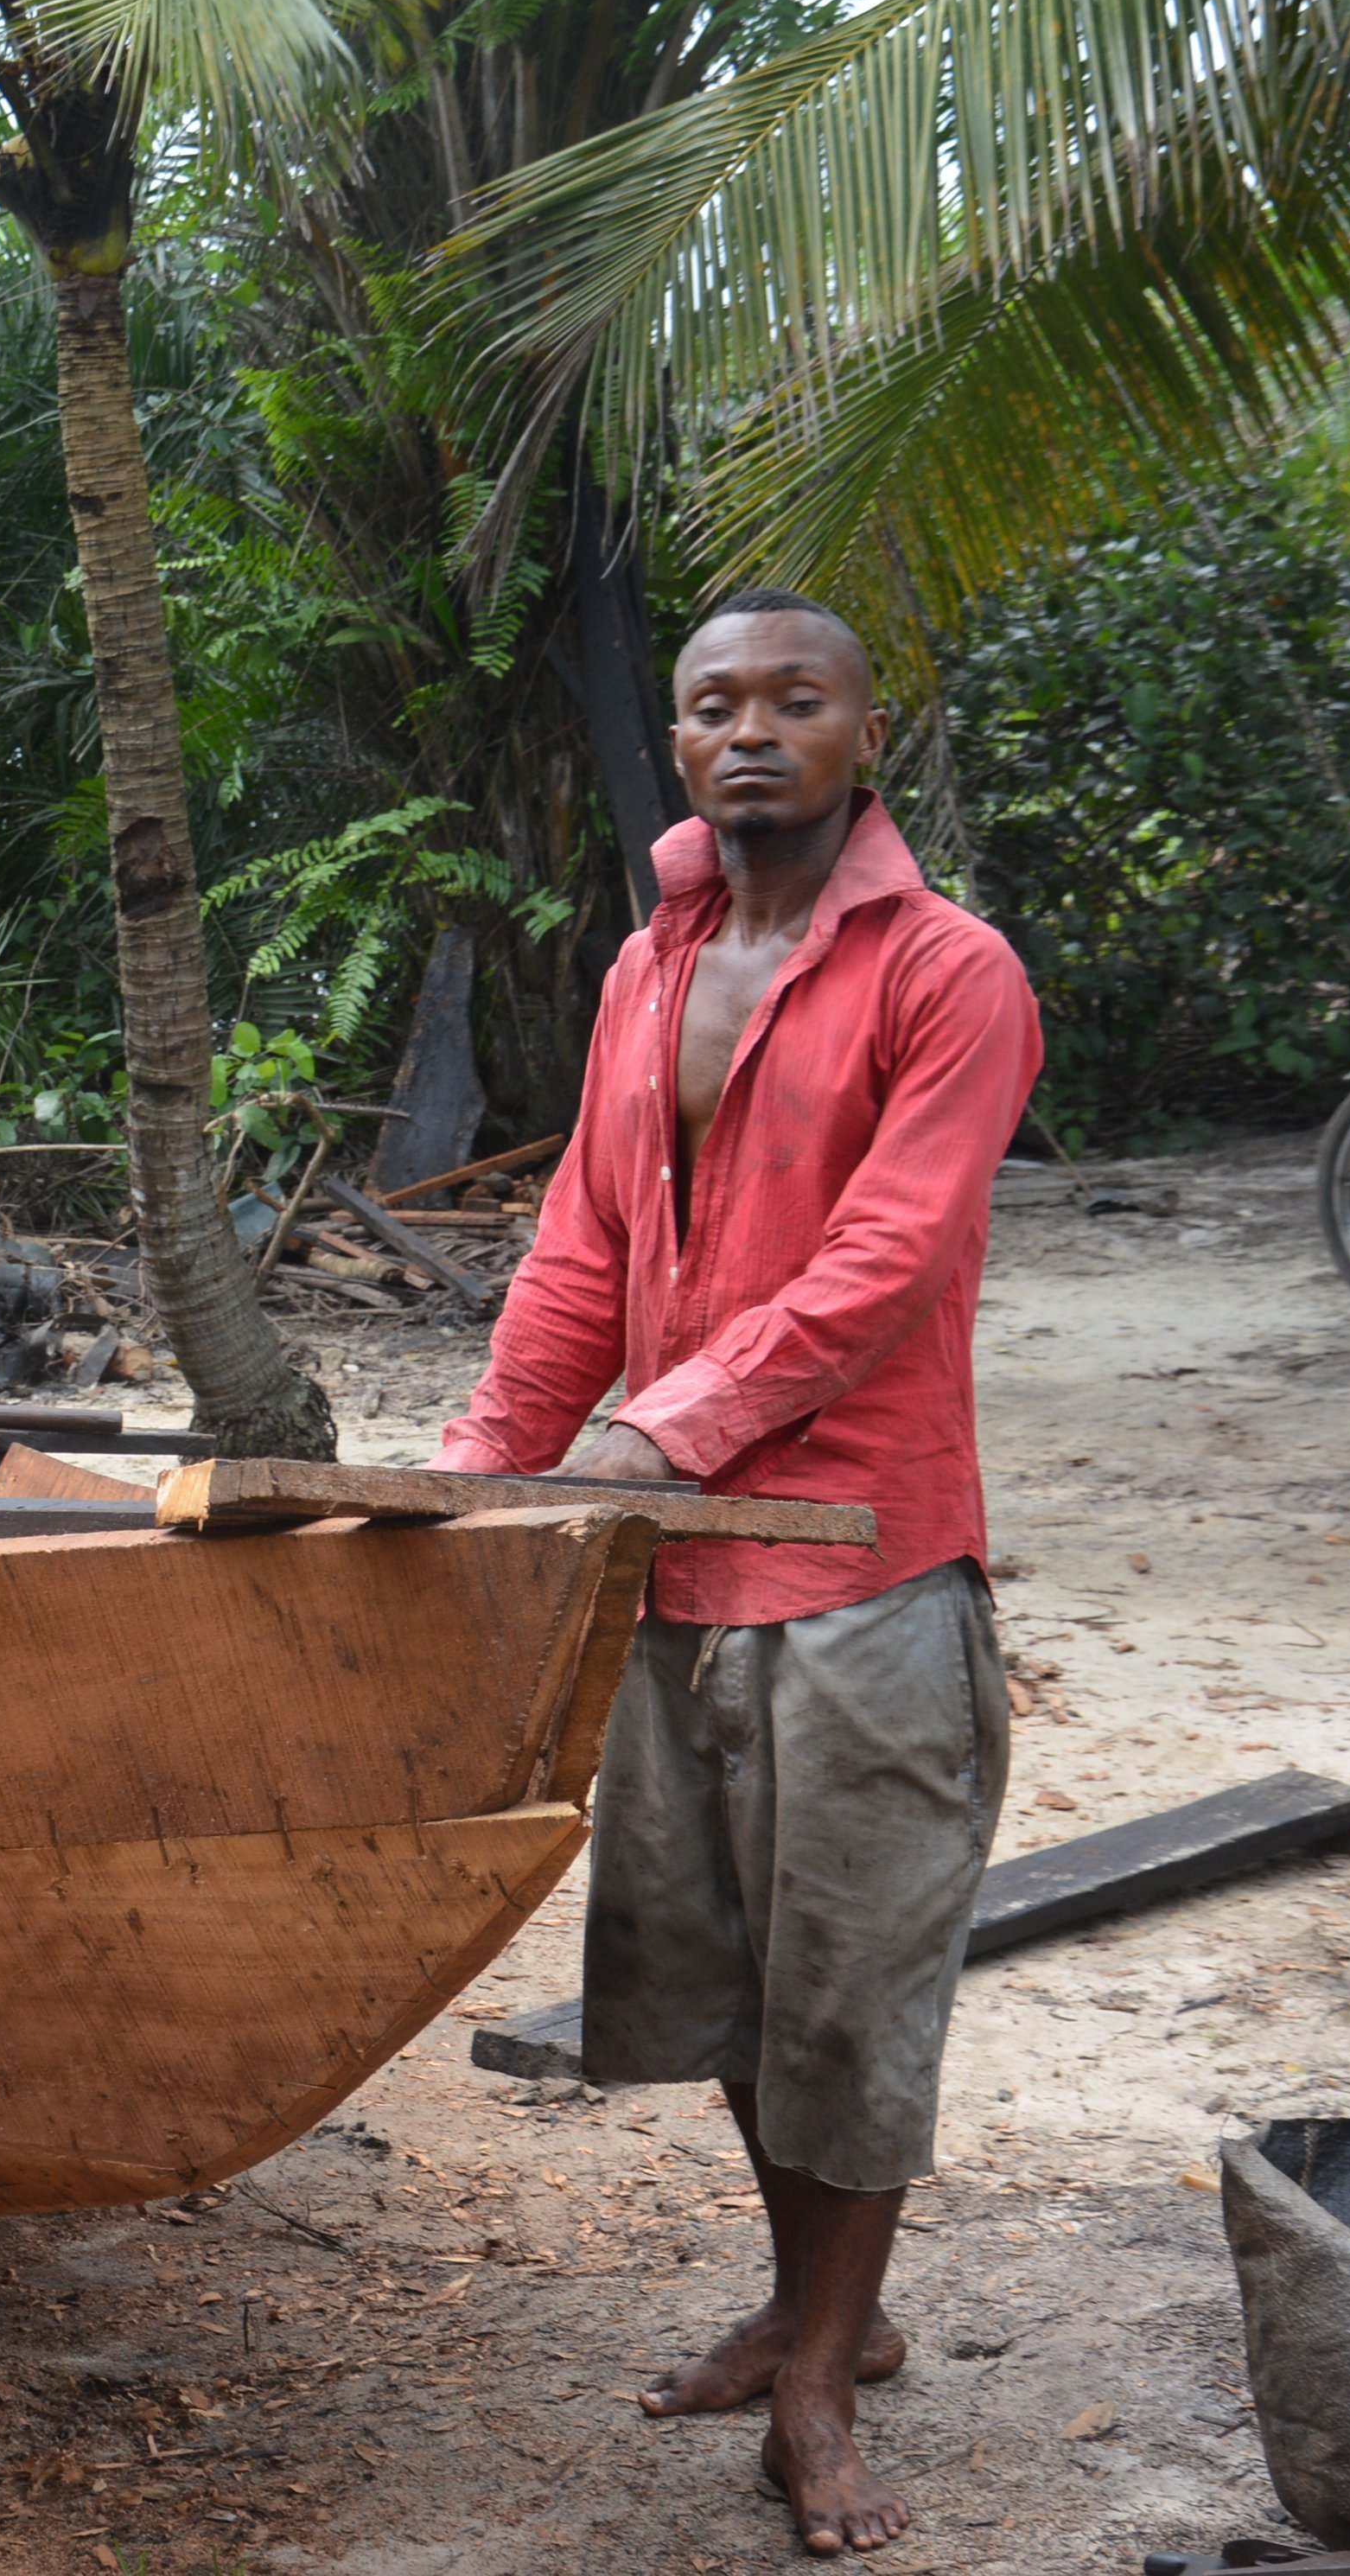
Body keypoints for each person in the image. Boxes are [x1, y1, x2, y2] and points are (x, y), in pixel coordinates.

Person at [436, 587, 1043, 2555]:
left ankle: (811, 2382)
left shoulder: (952, 974)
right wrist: (481, 1462)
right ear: (679, 745)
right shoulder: (648, 966)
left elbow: (883, 1265)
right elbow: (580, 1251)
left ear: (868, 731)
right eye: (716, 705)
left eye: (798, 698)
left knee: (853, 1996)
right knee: (720, 1984)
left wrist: (659, 1430)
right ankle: (816, 2306)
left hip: (860, 1564)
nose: (753, 729)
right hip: (671, 1578)